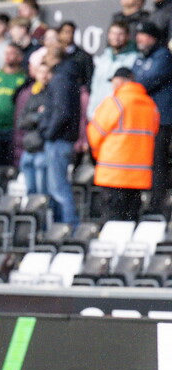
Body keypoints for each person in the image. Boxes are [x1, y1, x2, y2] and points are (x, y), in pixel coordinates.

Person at [88, 67, 160, 221]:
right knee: (130, 220)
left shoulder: (114, 103)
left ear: (119, 81)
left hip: (112, 173)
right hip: (139, 176)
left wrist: (96, 156)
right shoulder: (150, 105)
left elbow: (94, 133)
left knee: (112, 221)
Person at [133, 21, 172, 217]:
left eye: (144, 35)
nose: (140, 39)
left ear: (154, 37)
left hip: (162, 119)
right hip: (144, 121)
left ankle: (158, 205)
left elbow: (145, 81)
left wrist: (135, 83)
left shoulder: (163, 55)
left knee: (159, 163)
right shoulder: (141, 58)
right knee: (147, 162)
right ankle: (148, 201)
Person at [40, 46, 81, 226]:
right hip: (64, 139)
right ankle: (65, 226)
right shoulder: (67, 78)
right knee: (58, 187)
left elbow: (62, 112)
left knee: (58, 188)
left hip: (59, 140)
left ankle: (70, 227)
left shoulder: (60, 79)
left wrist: (49, 133)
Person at [0, 45, 27, 167]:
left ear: (19, 57)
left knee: (10, 163)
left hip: (12, 129)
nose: (8, 56)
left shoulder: (23, 78)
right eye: (6, 53)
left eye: (12, 53)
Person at [88, 22, 137, 120]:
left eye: (120, 34)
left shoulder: (134, 58)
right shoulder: (104, 58)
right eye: (113, 33)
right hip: (98, 113)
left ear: (127, 36)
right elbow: (95, 86)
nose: (116, 37)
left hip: (118, 114)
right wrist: (91, 111)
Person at [18, 63, 51, 195]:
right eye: (40, 71)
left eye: (46, 72)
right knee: (30, 192)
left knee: (42, 193)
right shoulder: (32, 94)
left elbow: (49, 119)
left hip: (43, 148)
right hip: (29, 148)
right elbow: (21, 122)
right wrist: (37, 115)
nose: (43, 75)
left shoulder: (52, 94)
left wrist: (34, 117)